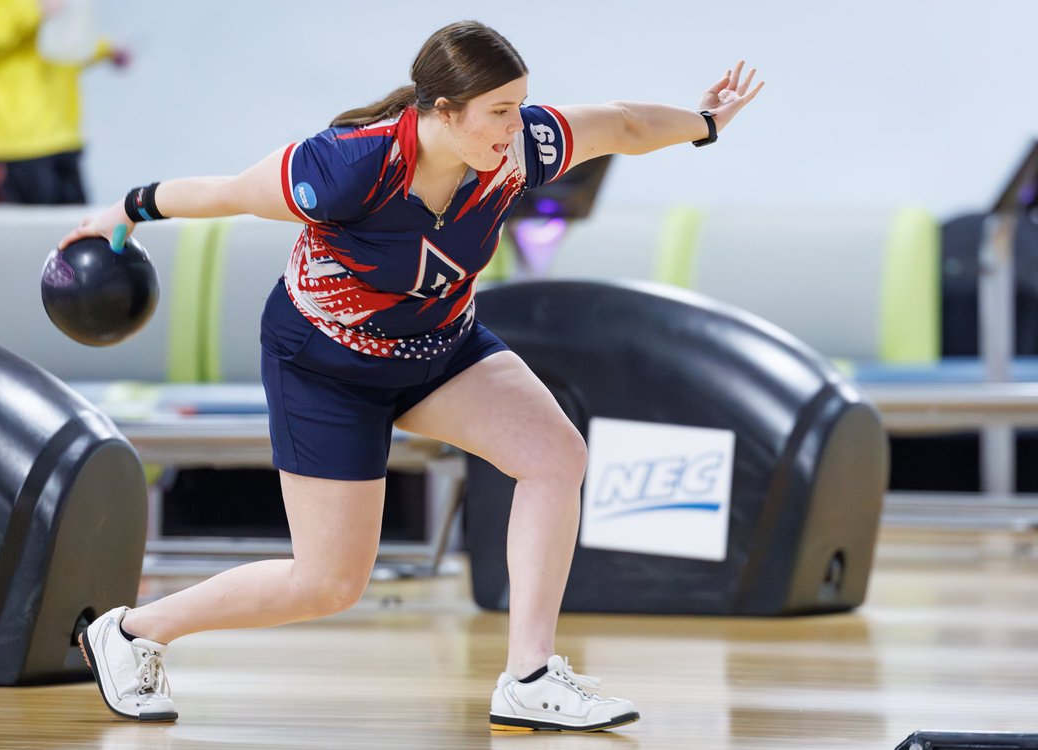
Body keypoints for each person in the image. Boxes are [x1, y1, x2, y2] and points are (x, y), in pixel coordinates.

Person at [61, 20, 763, 732]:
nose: (512, 125)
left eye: (518, 106)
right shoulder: (345, 168)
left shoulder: (516, 150)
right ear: (442, 112)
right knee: (328, 583)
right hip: (325, 365)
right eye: (496, 111)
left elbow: (622, 124)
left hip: (438, 348)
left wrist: (705, 122)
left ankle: (530, 675)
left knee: (556, 456)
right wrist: (124, 211)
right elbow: (228, 194)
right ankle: (130, 632)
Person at [0, 0, 126, 204]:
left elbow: (51, 44)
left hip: (60, 136)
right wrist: (34, 9)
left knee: (80, 233)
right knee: (27, 235)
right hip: (4, 143)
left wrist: (105, 49)